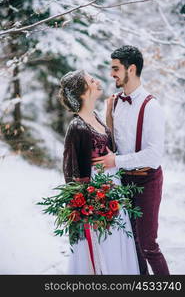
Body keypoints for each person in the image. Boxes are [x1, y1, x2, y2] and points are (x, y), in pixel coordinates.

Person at [92, 45, 170, 275]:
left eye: (116, 69)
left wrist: (115, 161)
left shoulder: (151, 106)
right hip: (123, 180)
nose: (111, 74)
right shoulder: (114, 103)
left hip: (147, 179)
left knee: (148, 245)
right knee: (132, 243)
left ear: (131, 69)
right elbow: (113, 144)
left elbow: (154, 155)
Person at [59, 69, 141, 275]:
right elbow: (71, 171)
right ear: (83, 91)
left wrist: (109, 114)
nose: (97, 81)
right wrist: (85, 205)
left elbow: (110, 147)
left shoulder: (96, 117)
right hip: (97, 196)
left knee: (119, 241)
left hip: (114, 189)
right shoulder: (77, 127)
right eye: (91, 80)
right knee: (105, 243)